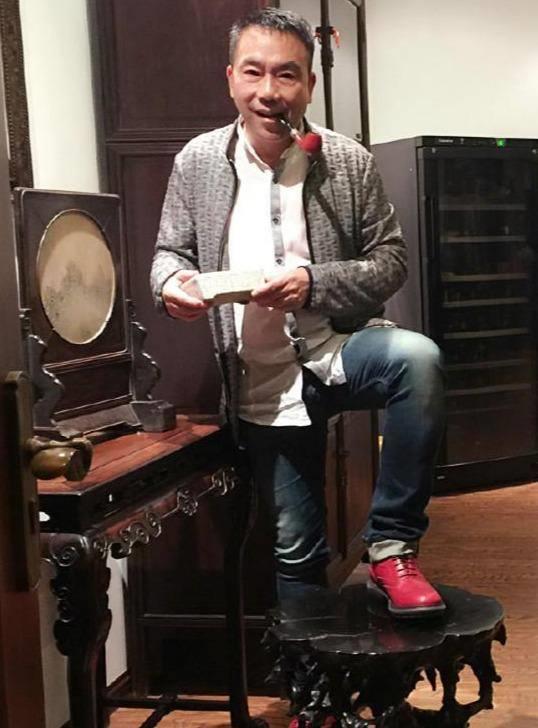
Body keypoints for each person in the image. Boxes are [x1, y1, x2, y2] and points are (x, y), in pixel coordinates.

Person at [151, 7, 446, 617]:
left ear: (310, 84)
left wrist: (313, 283)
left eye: (286, 74)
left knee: (417, 361)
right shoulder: (197, 161)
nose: (269, 91)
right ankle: (307, 676)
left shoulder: (349, 160)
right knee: (296, 545)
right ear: (230, 78)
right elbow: (169, 253)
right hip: (261, 374)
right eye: (253, 71)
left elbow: (391, 261)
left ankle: (392, 546)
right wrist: (172, 284)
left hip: (339, 348)